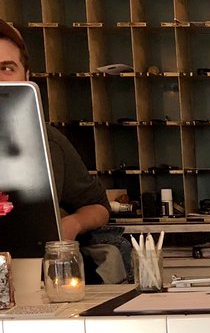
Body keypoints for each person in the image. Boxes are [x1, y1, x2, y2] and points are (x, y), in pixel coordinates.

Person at [0, 20, 128, 281]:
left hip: (33, 279)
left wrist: (71, 224)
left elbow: (98, 205)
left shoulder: (49, 142)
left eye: (6, 68)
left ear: (26, 76)